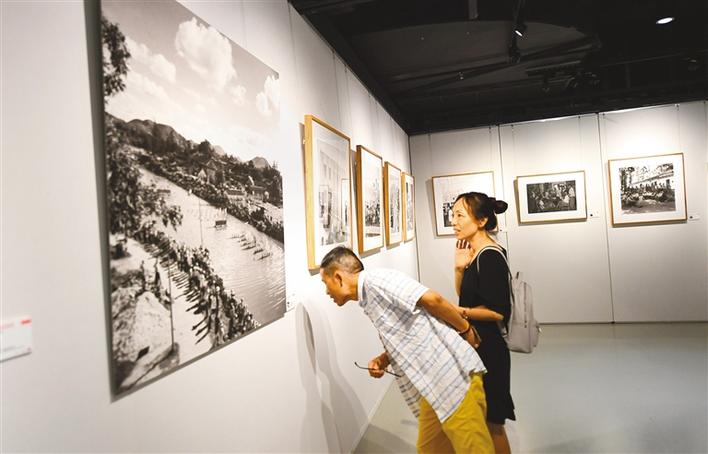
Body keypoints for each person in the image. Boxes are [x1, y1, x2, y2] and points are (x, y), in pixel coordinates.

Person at [319, 247, 494, 453]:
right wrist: (384, 359)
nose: (326, 292)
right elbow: (407, 333)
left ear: (338, 277)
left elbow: (432, 300)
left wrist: (466, 329)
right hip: (431, 387)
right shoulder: (368, 296)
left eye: (325, 283)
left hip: (452, 379)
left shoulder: (377, 281)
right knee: (429, 449)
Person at [451, 192, 516, 454]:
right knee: (483, 417)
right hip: (477, 344)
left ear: (481, 221)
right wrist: (459, 268)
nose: (453, 222)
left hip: (490, 349)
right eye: (453, 215)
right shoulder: (473, 253)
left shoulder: (490, 256)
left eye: (460, 215)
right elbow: (465, 295)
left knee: (493, 422)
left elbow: (498, 312)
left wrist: (456, 312)